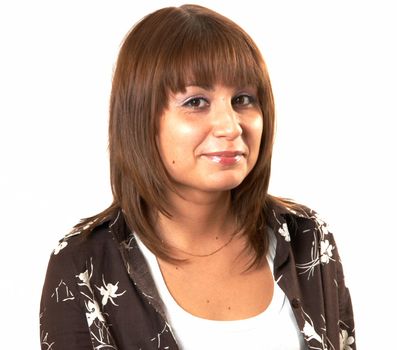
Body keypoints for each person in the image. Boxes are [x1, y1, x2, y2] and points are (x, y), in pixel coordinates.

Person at [39, 4, 355, 350]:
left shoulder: (306, 237)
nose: (230, 126)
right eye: (196, 102)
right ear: (140, 117)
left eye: (243, 99)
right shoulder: (85, 262)